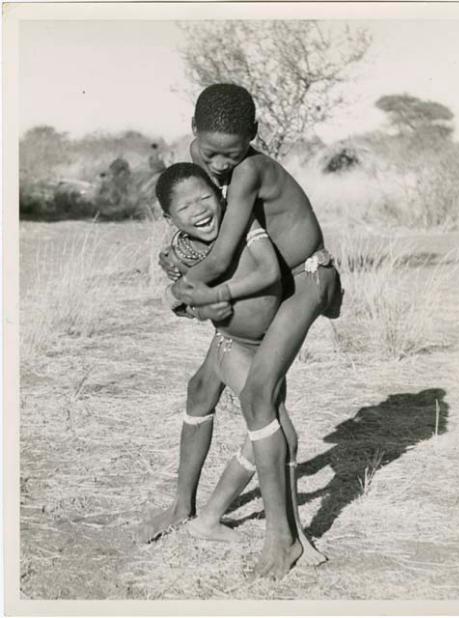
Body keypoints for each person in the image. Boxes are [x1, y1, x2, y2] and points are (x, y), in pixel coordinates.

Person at [160, 84, 343, 579]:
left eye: (232, 152)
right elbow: (205, 231)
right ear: (194, 134)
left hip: (307, 277)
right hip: (273, 283)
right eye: (211, 151)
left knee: (260, 395)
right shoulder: (202, 160)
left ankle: (283, 537)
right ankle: (186, 508)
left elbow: (221, 257)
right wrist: (180, 263)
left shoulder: (249, 170)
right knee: (202, 386)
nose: (219, 164)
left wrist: (188, 289)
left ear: (255, 138)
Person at [139, 163, 326, 566]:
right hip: (231, 343)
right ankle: (188, 510)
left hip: (267, 343)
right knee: (222, 403)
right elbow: (186, 305)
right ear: (169, 219)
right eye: (185, 207)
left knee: (274, 430)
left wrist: (209, 296)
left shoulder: (244, 228)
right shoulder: (182, 251)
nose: (200, 210)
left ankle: (251, 527)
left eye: (206, 198)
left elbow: (266, 271)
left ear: (222, 197)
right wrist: (194, 304)